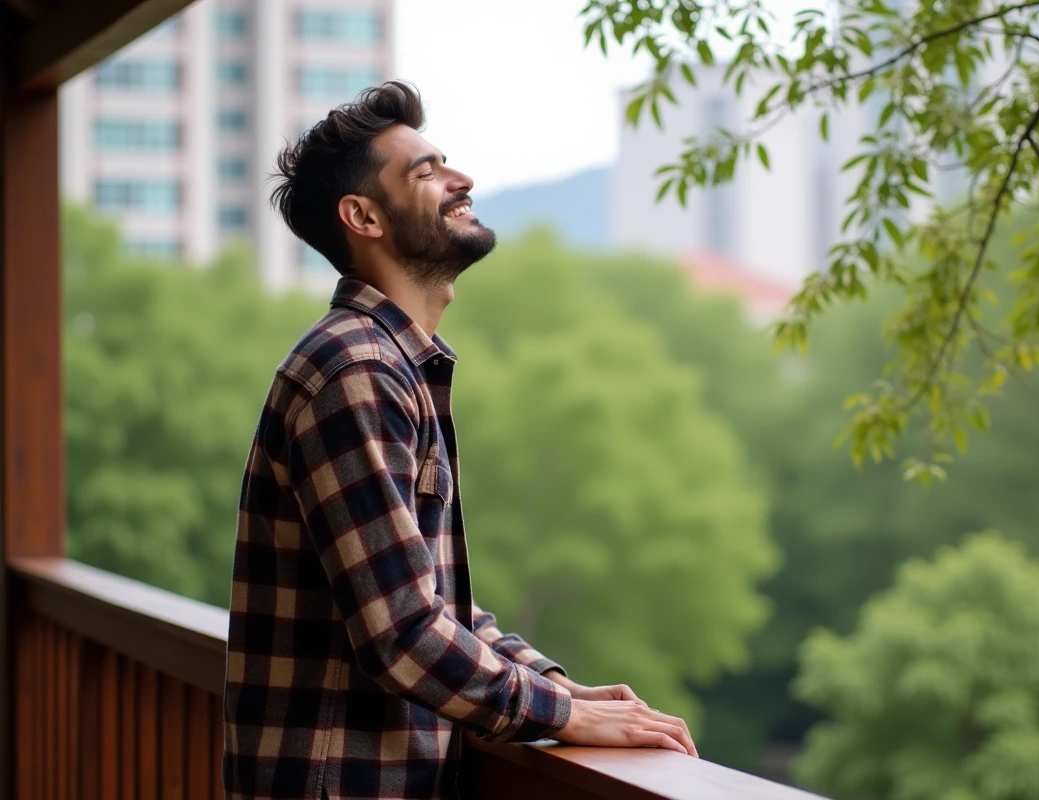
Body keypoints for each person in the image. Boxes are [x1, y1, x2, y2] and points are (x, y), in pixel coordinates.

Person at [222, 80, 697, 800]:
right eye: (426, 170)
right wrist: (563, 715)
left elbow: (433, 603)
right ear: (363, 216)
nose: (462, 178)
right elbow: (405, 634)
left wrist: (560, 688)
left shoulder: (389, 362)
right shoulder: (356, 371)